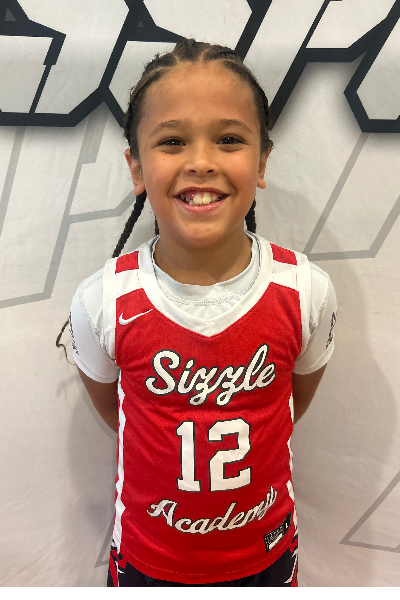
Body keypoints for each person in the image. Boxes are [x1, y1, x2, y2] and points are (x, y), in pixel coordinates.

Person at [65, 40, 337, 587]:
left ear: (262, 161)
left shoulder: (305, 290)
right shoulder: (103, 299)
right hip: (148, 561)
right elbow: (119, 412)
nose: (202, 162)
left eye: (229, 139)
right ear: (136, 167)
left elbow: (290, 403)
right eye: (172, 141)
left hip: (266, 556)